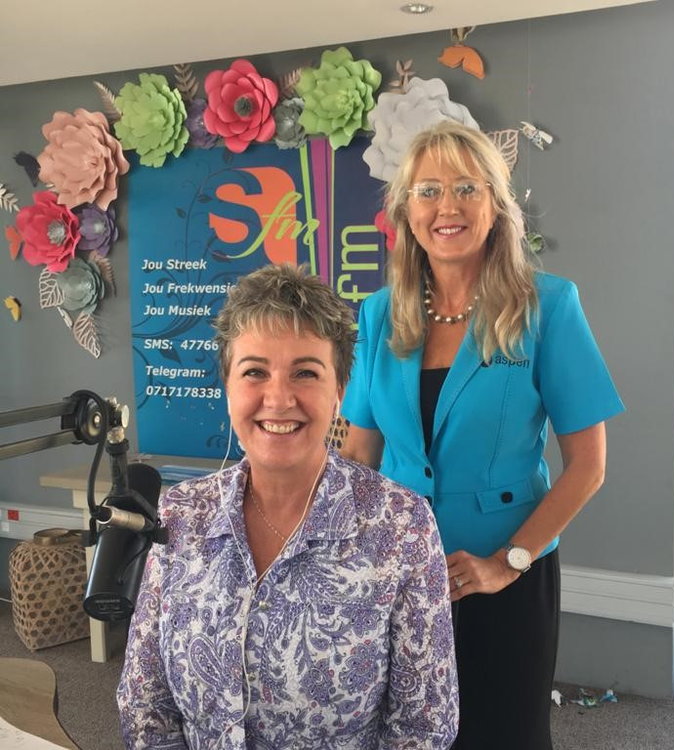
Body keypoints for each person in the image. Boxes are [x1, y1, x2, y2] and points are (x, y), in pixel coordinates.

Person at [340, 121, 625, 750]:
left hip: (506, 576)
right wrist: (345, 558)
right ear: (406, 213)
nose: (448, 206)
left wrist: (508, 562)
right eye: (428, 190)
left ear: (495, 206)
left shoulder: (548, 306)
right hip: (398, 575)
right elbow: (358, 454)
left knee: (502, 733)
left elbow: (588, 465)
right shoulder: (378, 314)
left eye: (467, 188)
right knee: (400, 731)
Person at [117, 264, 459, 749]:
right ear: (228, 386)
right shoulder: (180, 514)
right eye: (255, 372)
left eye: (305, 372)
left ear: (339, 391)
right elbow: (144, 704)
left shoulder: (401, 525)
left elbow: (424, 726)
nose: (278, 398)